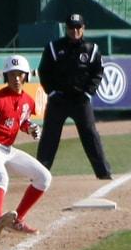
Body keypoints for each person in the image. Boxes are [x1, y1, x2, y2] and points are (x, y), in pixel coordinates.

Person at [0, 54, 52, 237]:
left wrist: (31, 128)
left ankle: (17, 221)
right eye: (12, 74)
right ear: (6, 77)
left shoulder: (28, 101)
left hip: (7, 149)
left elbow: (21, 121)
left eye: (20, 74)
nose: (16, 78)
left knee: (44, 177)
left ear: (27, 76)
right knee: (1, 177)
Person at [36, 14, 113, 179]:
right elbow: (44, 72)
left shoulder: (91, 49)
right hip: (59, 100)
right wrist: (52, 92)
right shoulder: (53, 48)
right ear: (66, 28)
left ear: (83, 28)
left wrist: (88, 92)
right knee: (49, 137)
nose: (75, 31)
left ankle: (103, 173)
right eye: (71, 27)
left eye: (78, 27)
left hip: (80, 101)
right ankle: (39, 174)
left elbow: (97, 72)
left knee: (90, 135)